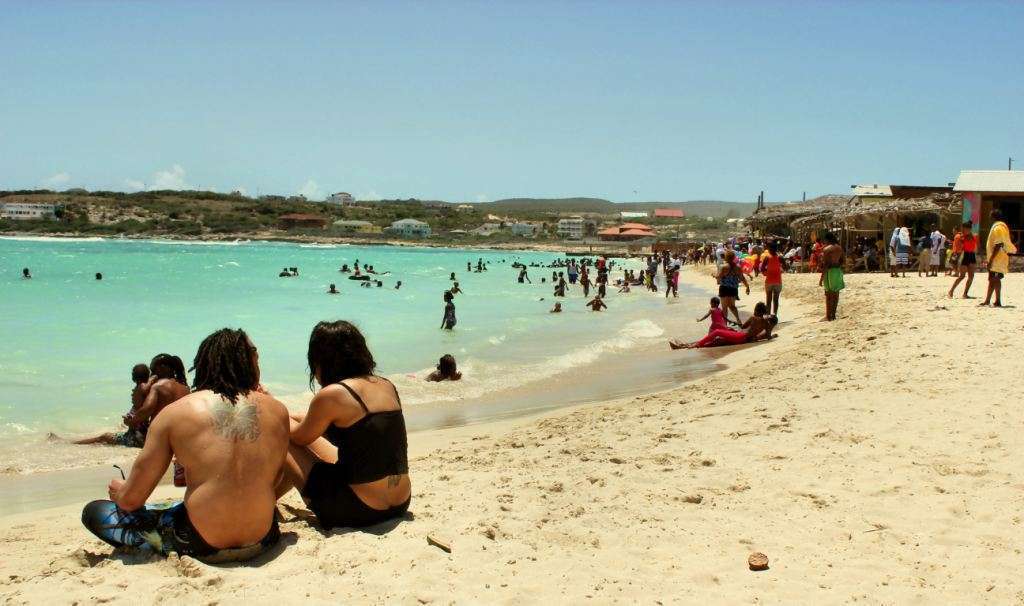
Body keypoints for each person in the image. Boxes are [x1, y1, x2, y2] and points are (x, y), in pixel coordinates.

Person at [81, 328, 290, 562]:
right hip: (262, 537)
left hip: (199, 543)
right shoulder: (278, 411)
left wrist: (120, 491)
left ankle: (149, 539)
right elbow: (276, 480)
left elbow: (131, 500)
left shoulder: (175, 413)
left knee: (95, 511)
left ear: (204, 364)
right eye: (255, 354)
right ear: (247, 361)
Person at [278, 321, 411, 529]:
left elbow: (298, 437)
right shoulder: (386, 385)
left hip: (360, 509)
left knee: (280, 436)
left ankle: (262, 500)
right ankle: (269, 499)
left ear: (321, 360)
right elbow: (360, 431)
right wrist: (293, 417)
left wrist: (272, 407)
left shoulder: (333, 394)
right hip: (400, 502)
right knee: (293, 427)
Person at [73, 364, 154, 447]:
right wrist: (152, 379)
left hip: (134, 439)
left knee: (104, 437)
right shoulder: (143, 388)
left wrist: (152, 378)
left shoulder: (141, 386)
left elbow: (144, 389)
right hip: (137, 433)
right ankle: (77, 443)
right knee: (109, 436)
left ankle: (75, 444)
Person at [123, 354, 190, 434]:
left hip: (160, 434)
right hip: (180, 433)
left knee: (109, 437)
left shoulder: (158, 386)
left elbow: (146, 410)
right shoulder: (186, 389)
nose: (151, 374)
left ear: (162, 368)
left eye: (153, 370)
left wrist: (130, 422)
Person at [675, 302, 777, 349]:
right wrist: (773, 335)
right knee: (718, 341)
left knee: (717, 332)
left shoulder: (753, 318)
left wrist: (736, 323)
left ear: (756, 310)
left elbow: (743, 327)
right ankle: (685, 345)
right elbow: (768, 336)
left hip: (741, 336)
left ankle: (693, 345)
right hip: (743, 338)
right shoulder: (766, 324)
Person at [981, 209, 1017, 307]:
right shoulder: (1001, 227)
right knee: (991, 278)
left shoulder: (998, 228)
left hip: (998, 258)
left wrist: (991, 259)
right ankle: (987, 300)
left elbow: (999, 244)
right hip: (997, 257)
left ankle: (998, 301)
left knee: (996, 279)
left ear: (993, 217)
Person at [716, 250, 749, 326]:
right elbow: (742, 278)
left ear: (726, 257)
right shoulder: (738, 267)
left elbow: (719, 277)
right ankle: (738, 320)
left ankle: (725, 324)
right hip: (733, 289)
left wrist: (715, 276)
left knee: (724, 308)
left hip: (724, 288)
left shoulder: (723, 267)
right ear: (734, 257)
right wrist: (747, 286)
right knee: (732, 306)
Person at [819, 231, 845, 321]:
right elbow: (843, 261)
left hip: (829, 271)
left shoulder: (826, 249)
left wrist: (821, 278)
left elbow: (826, 265)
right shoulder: (839, 248)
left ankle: (828, 315)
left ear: (827, 239)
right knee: (836, 293)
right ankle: (833, 315)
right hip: (837, 271)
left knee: (828, 294)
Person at [948, 222, 977, 298]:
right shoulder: (959, 237)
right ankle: (951, 291)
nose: (964, 230)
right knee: (962, 276)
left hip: (971, 255)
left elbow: (975, 246)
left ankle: (965, 294)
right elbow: (957, 249)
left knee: (971, 276)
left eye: (967, 229)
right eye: (964, 229)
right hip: (963, 255)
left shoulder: (973, 236)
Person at [760, 241, 787, 316]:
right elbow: (786, 267)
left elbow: (762, 269)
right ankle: (774, 315)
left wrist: (767, 272)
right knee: (776, 300)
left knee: (768, 300)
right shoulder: (780, 257)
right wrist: (780, 270)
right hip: (778, 281)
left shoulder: (767, 258)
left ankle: (768, 315)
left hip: (769, 281)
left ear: (769, 249)